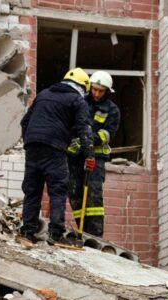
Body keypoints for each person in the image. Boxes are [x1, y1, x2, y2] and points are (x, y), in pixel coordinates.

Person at [19, 68, 93, 244]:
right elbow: (84, 129)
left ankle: (28, 230)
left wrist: (30, 141)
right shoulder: (77, 100)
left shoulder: (44, 94)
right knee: (58, 190)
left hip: (33, 145)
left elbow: (25, 122)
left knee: (32, 190)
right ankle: (56, 234)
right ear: (83, 87)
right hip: (54, 147)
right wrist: (89, 155)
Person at [67, 70, 120, 238]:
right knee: (75, 193)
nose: (97, 94)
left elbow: (106, 135)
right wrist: (71, 143)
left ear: (107, 92)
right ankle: (82, 232)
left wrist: (86, 143)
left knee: (94, 196)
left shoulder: (112, 110)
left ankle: (95, 235)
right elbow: (70, 125)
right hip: (75, 159)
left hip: (96, 159)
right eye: (95, 89)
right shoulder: (79, 102)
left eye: (101, 91)